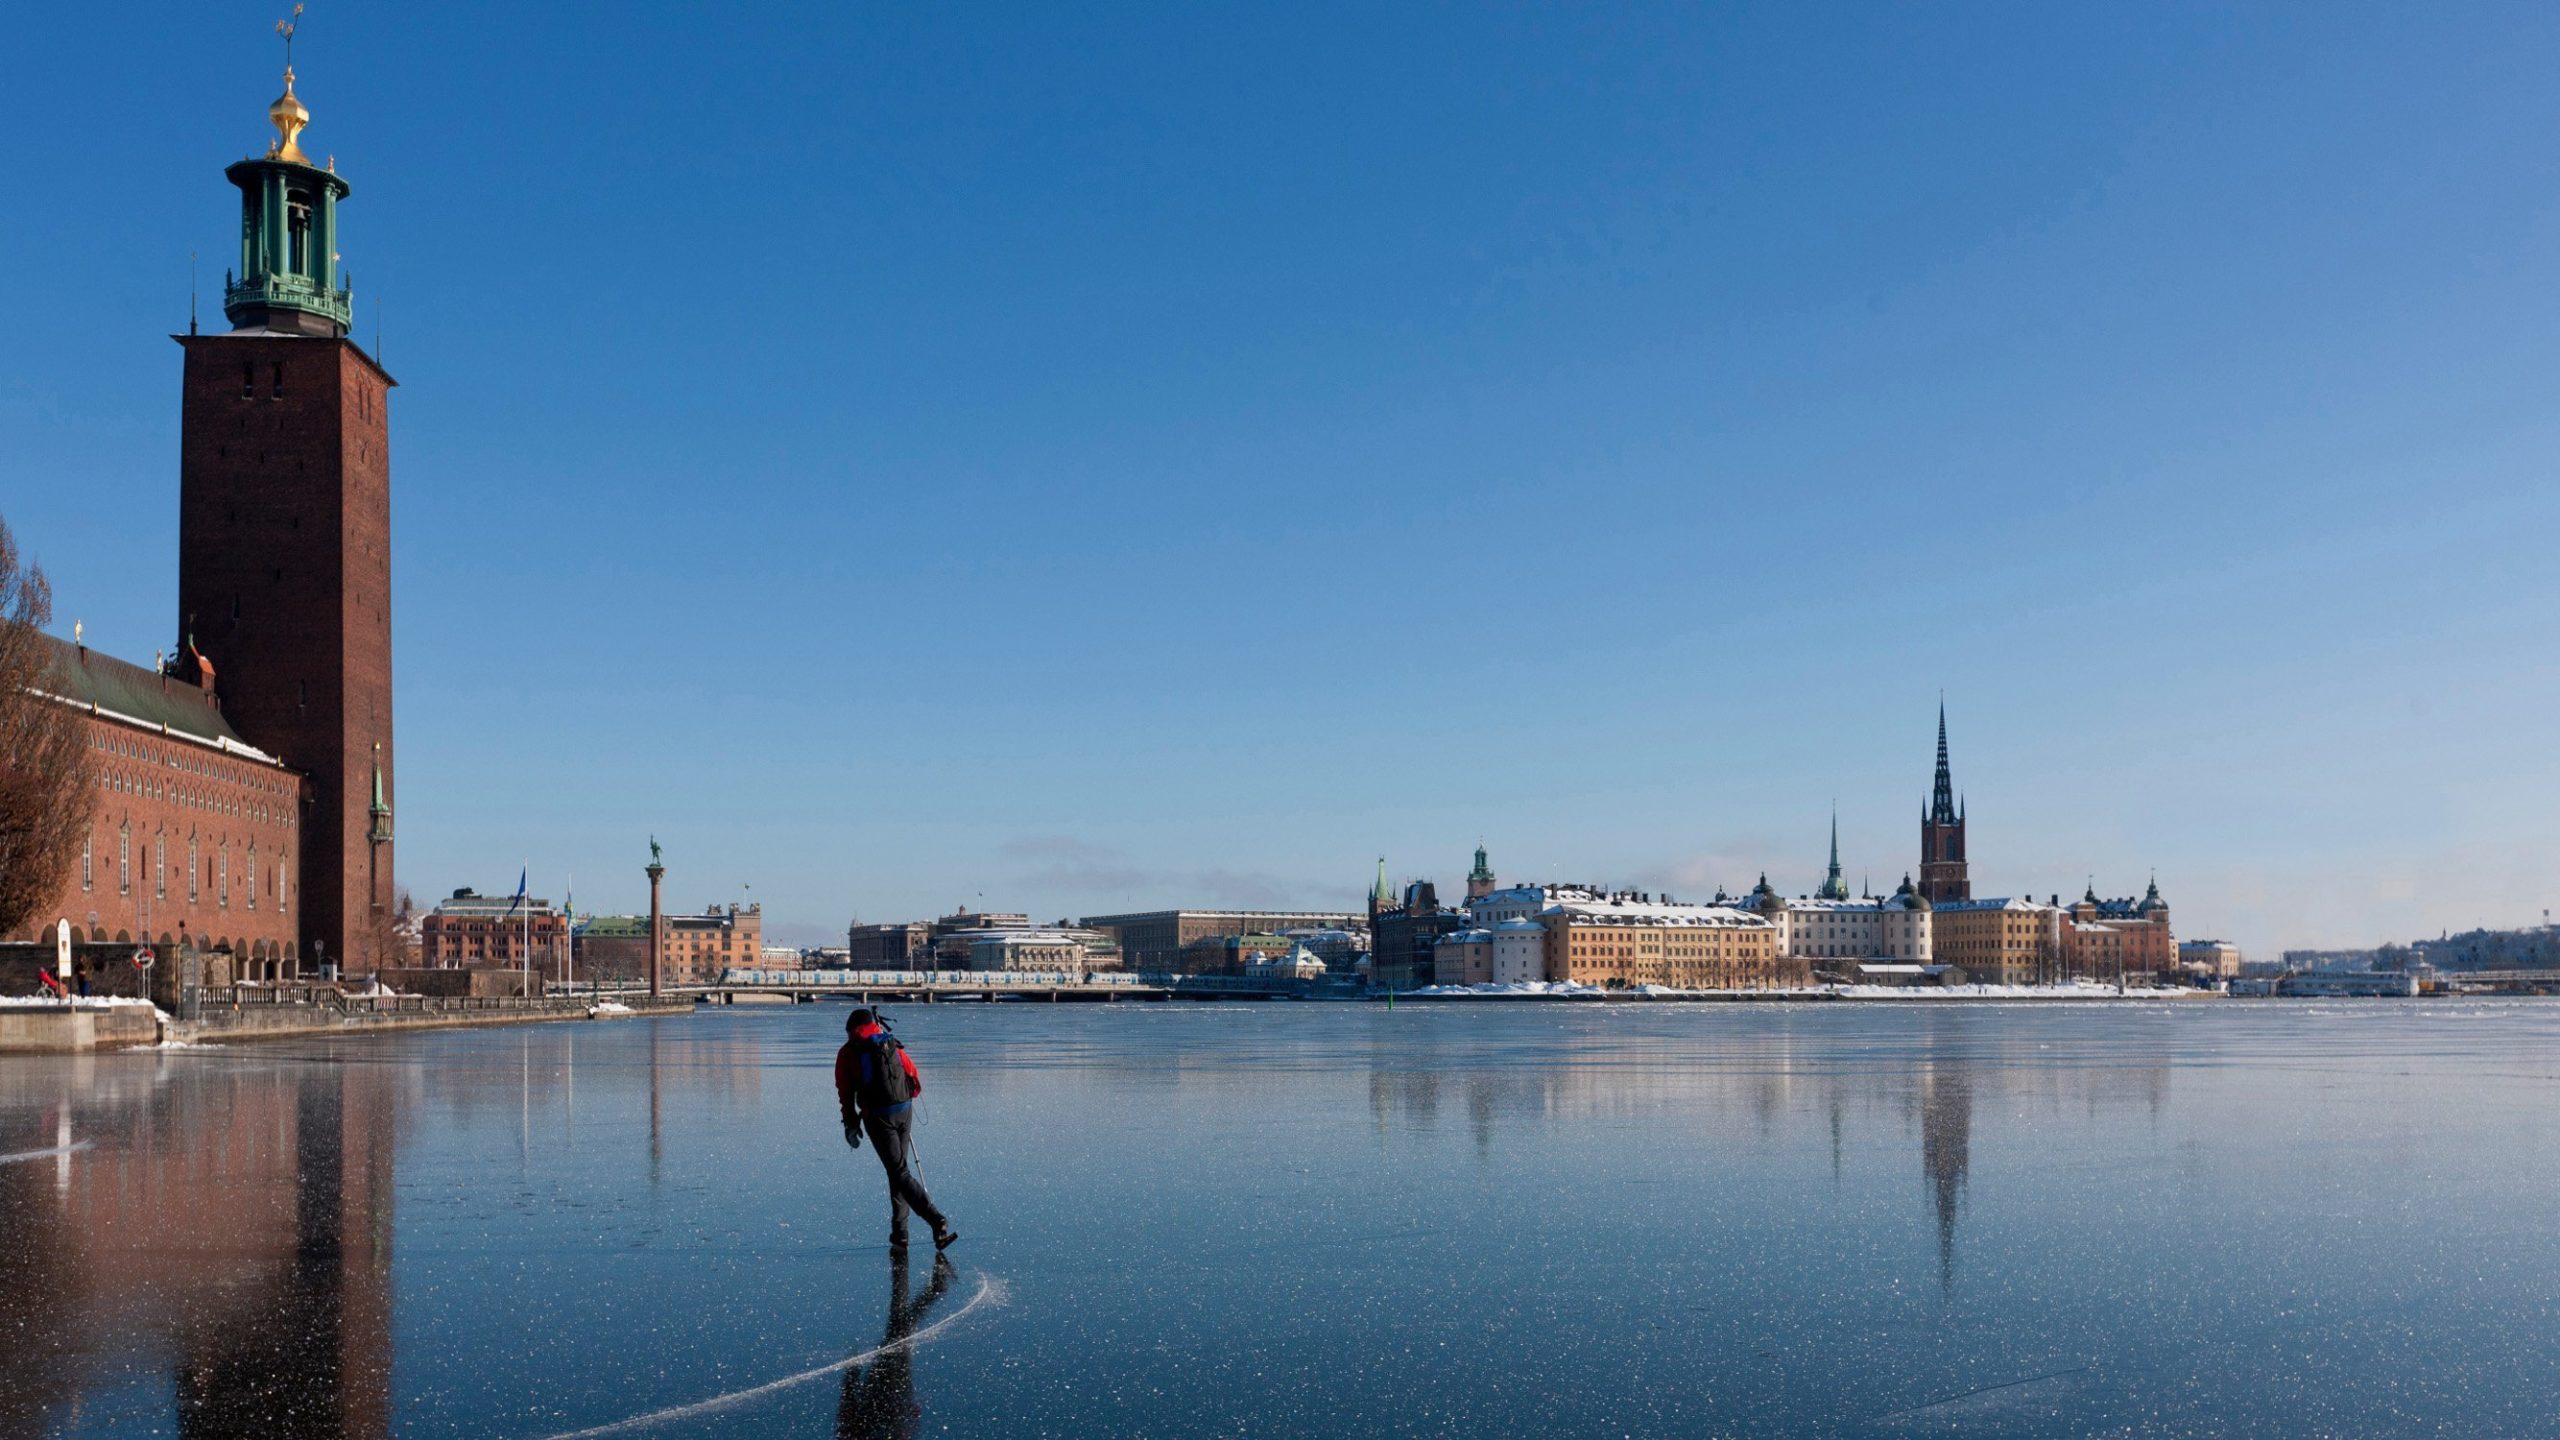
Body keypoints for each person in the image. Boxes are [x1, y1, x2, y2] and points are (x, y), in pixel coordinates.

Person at [836, 1008, 957, 1251]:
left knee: (898, 1172)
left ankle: (935, 1219)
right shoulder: (888, 1042)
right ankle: (900, 1233)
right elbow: (912, 1073)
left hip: (878, 1117)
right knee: (899, 1172)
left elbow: (845, 1091)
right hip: (903, 1110)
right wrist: (904, 1096)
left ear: (851, 1030)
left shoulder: (849, 1052)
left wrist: (851, 1123)